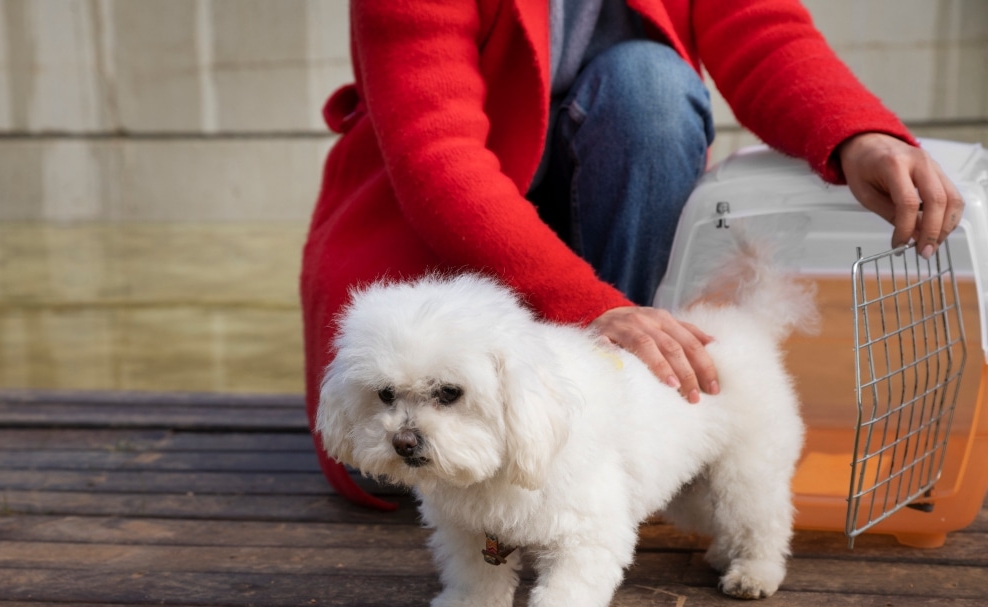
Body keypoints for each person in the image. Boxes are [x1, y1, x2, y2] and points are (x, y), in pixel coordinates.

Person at [300, 0, 965, 510]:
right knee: (398, 464)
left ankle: (627, 432)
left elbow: (763, 30)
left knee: (650, 87)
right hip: (433, 233)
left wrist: (858, 137)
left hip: (604, 232)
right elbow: (438, 157)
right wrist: (590, 306)